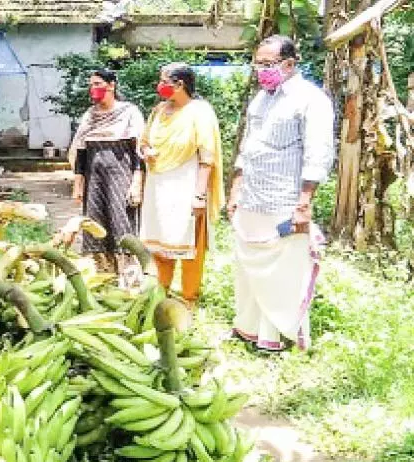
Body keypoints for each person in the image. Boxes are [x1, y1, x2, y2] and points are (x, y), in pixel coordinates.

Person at [229, 35, 333, 351]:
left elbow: (318, 154)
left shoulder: (310, 100)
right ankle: (248, 329)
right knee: (247, 269)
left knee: (282, 273)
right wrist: (236, 189)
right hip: (252, 199)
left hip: (285, 201)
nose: (261, 70)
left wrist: (304, 204)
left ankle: (281, 336)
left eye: (268, 64)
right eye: (258, 64)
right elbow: (247, 147)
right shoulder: (261, 99)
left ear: (289, 64)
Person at [139, 63, 224, 310]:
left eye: (164, 80)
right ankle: (160, 291)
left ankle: (189, 298)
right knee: (160, 240)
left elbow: (207, 156)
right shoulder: (158, 111)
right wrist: (146, 152)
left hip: (187, 185)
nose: (160, 85)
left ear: (180, 84)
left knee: (190, 243)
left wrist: (199, 195)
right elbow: (144, 141)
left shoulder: (200, 112)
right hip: (158, 186)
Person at [69, 69, 145, 286]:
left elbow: (139, 150)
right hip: (95, 178)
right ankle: (104, 280)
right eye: (91, 84)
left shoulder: (129, 112)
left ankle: (130, 280)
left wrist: (137, 182)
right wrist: (78, 185)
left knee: (122, 222)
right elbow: (81, 152)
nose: (93, 89)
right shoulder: (89, 115)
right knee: (95, 224)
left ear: (111, 85)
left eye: (98, 83)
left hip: (121, 173)